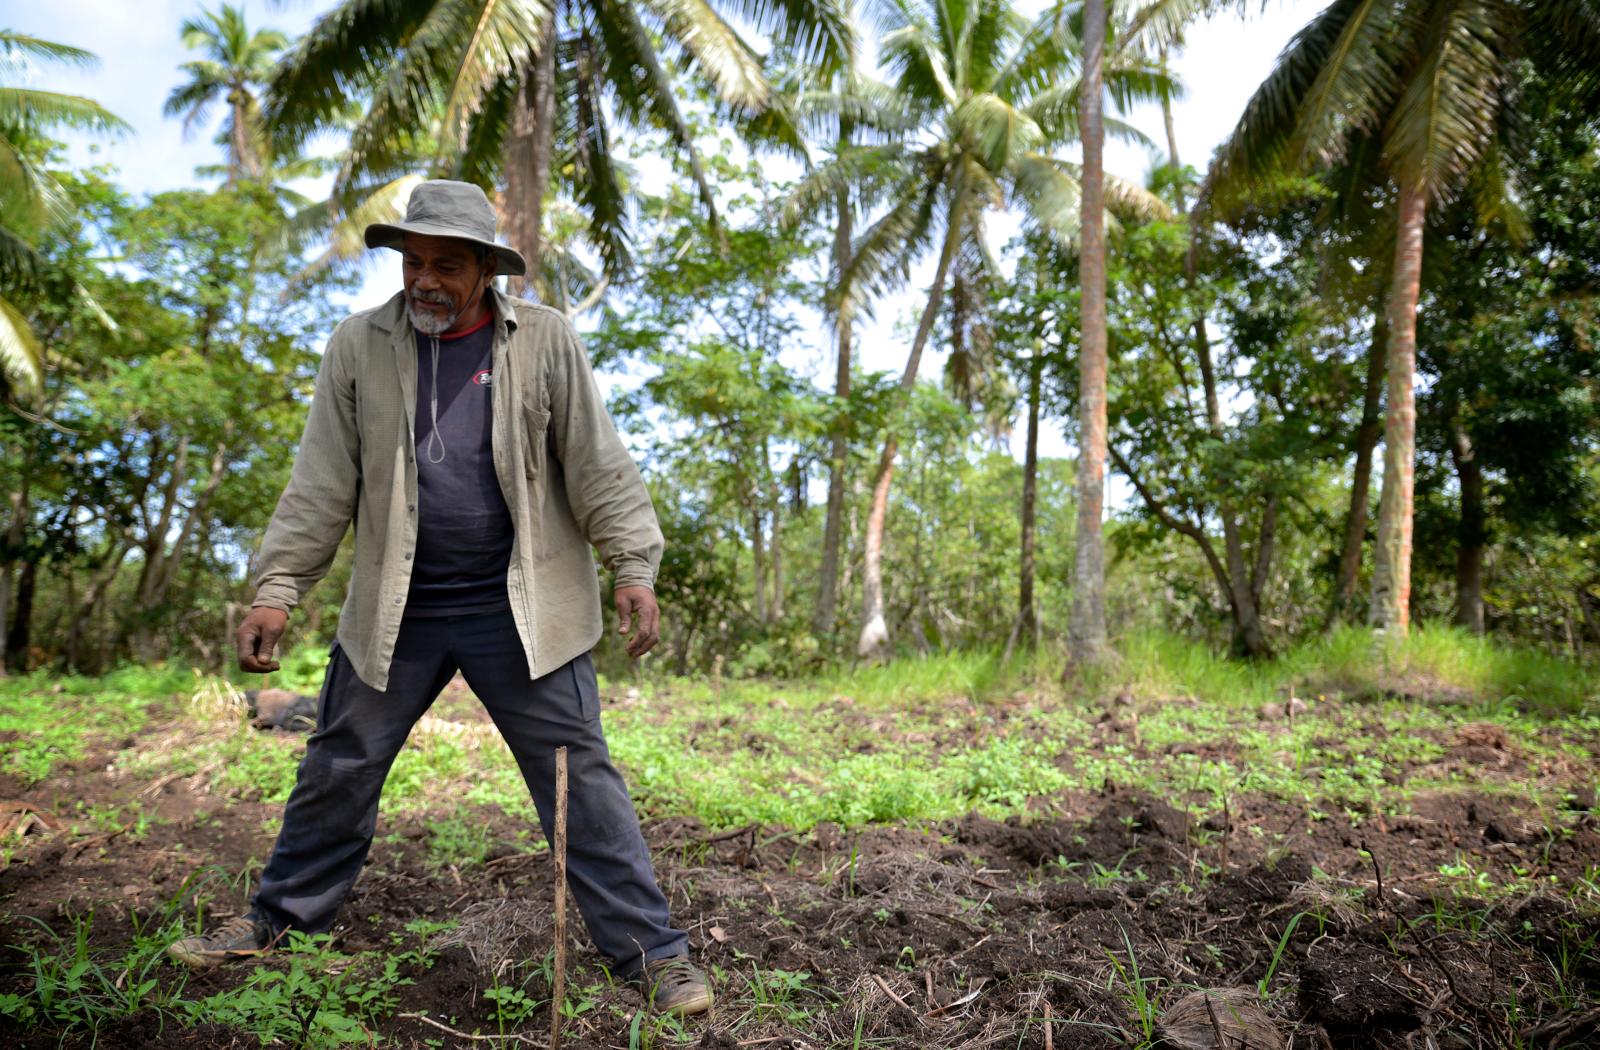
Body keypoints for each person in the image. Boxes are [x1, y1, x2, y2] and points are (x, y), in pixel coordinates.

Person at [167, 180, 711, 1017]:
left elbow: (598, 464)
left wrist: (633, 564)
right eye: (413, 261)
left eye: (445, 265)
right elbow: (320, 482)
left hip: (522, 607)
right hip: (399, 605)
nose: (423, 279)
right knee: (340, 762)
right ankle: (278, 923)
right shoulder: (358, 346)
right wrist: (277, 589)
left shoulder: (544, 342)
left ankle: (653, 956)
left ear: (486, 271)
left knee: (579, 776)